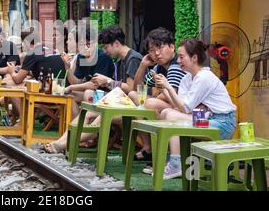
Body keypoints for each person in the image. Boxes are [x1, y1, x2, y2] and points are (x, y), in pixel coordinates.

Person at [44, 25, 142, 154]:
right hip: (118, 102)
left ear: (116, 44)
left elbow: (130, 90)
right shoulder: (121, 60)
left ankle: (64, 144)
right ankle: (59, 142)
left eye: (106, 47)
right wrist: (67, 68)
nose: (105, 50)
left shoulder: (131, 58)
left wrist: (107, 81)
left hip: (130, 105)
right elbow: (78, 81)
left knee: (94, 111)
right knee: (87, 112)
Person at [151, 39, 237, 179]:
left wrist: (167, 87)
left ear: (194, 57)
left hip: (223, 124)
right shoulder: (187, 78)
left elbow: (184, 108)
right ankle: (174, 162)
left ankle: (175, 163)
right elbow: (181, 107)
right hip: (206, 118)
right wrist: (164, 88)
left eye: (181, 56)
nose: (178, 60)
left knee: (170, 116)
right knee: (168, 113)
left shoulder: (204, 77)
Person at [131, 27, 186, 162]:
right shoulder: (159, 67)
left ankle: (162, 151)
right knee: (133, 95)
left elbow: (173, 96)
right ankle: (148, 147)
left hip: (183, 109)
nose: (156, 53)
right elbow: (138, 89)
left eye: (160, 48)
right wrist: (143, 65)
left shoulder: (176, 66)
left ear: (172, 47)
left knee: (150, 103)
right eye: (151, 50)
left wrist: (156, 95)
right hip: (172, 106)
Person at [5, 27, 66, 115]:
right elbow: (45, 68)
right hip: (62, 90)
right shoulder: (53, 49)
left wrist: (11, 71)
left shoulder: (32, 52)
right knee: (24, 84)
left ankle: (24, 122)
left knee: (13, 91)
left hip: (49, 93)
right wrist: (26, 71)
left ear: (26, 42)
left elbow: (17, 79)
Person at [61, 24, 115, 118]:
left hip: (107, 95)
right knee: (69, 96)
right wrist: (67, 67)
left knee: (88, 93)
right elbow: (76, 81)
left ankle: (88, 129)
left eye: (88, 44)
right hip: (90, 93)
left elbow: (95, 84)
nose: (85, 48)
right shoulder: (81, 57)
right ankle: (78, 127)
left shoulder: (103, 57)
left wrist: (71, 87)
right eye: (82, 45)